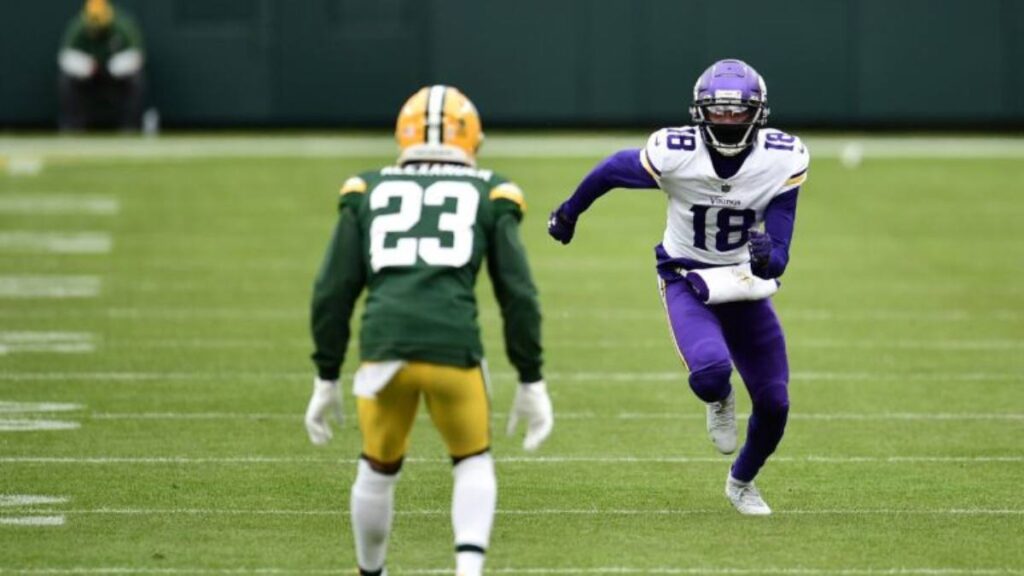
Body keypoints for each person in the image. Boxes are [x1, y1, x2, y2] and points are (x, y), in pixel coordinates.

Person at [305, 85, 554, 576]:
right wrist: (531, 378)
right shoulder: (491, 191)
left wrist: (325, 375)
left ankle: (370, 572)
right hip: (452, 349)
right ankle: (467, 571)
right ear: (473, 139)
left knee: (376, 469)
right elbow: (518, 296)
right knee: (472, 461)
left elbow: (331, 291)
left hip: (384, 348)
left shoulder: (366, 190)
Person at [548, 59, 808, 516]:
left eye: (738, 111)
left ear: (759, 114)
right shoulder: (676, 152)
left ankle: (741, 482)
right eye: (718, 110)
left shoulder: (781, 158)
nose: (727, 120)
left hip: (742, 281)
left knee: (775, 402)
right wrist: (569, 213)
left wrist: (771, 256)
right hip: (686, 275)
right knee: (710, 374)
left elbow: (780, 254)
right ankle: (721, 398)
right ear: (699, 111)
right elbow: (611, 169)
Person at [57, 0, 145, 131]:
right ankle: (73, 126)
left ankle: (130, 126)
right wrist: (85, 66)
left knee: (136, 80)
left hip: (115, 76)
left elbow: (136, 57)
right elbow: (66, 57)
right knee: (66, 80)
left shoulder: (122, 27)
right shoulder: (78, 28)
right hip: (88, 77)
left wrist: (116, 66)